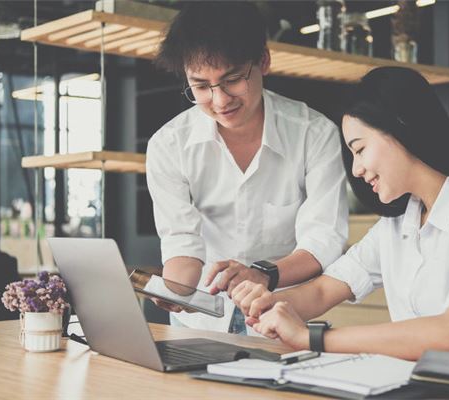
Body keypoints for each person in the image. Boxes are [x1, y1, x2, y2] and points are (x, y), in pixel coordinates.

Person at [230, 66, 449, 371]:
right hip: (435, 388)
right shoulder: (399, 223)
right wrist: (268, 305)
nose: (356, 169)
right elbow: (322, 292)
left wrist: (312, 338)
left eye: (360, 149)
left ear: (401, 126)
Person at [146, 2, 348, 334]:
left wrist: (264, 273)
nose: (220, 100)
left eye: (233, 79)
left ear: (263, 61)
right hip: (200, 320)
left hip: (281, 312)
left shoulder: (314, 133)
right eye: (201, 86)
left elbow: (323, 239)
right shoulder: (168, 145)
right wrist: (174, 291)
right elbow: (182, 239)